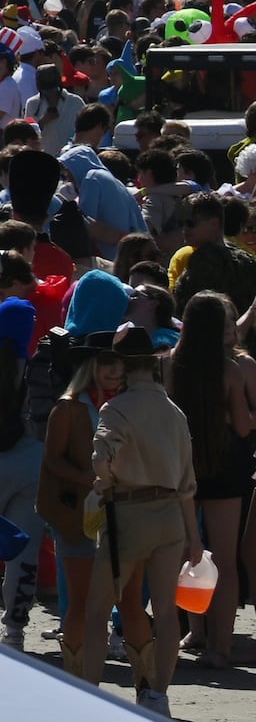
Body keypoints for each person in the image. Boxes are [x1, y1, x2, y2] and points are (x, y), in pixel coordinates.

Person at [94, 320, 200, 705]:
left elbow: (100, 457)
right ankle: (158, 696)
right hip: (170, 515)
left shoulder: (116, 408)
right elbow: (188, 482)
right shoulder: (175, 413)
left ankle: (87, 694)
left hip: (130, 509)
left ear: (123, 365)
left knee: (101, 608)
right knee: (167, 613)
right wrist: (195, 537)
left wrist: (104, 483)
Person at [176, 289, 256, 666]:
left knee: (188, 552)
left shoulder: (169, 364)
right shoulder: (232, 370)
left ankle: (195, 630)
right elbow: (243, 427)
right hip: (226, 466)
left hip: (183, 468)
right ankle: (220, 648)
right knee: (223, 557)